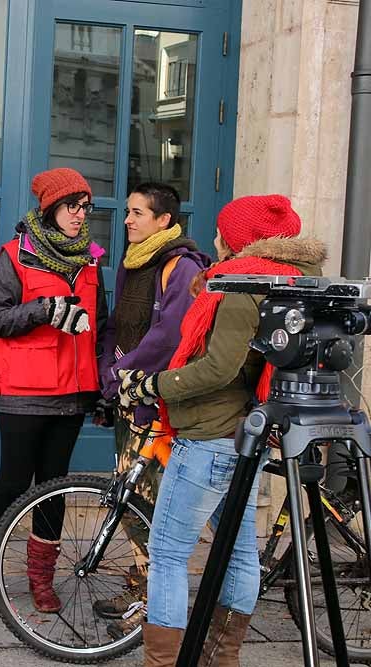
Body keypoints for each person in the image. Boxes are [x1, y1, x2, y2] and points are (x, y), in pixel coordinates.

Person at [116, 195, 326, 666]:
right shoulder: (288, 282)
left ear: (238, 240)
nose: (214, 239)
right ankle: (219, 657)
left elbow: (219, 368)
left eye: (221, 232)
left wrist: (153, 385)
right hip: (245, 434)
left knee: (168, 554)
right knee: (238, 553)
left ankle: (162, 662)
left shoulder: (241, 286)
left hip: (210, 436)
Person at [0, 167, 107, 613]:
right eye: (71, 206)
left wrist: (101, 386)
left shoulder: (91, 258)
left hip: (74, 392)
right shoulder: (16, 254)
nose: (79, 215)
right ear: (51, 207)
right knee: (13, 481)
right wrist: (42, 310)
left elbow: (99, 327)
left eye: (85, 207)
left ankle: (41, 579)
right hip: (24, 389)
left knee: (54, 486)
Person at [91, 182, 210, 637]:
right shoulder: (132, 260)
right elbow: (118, 325)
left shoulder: (181, 267)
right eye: (127, 211)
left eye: (138, 213)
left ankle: (150, 601)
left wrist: (122, 372)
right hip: (127, 396)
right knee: (130, 495)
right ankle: (141, 587)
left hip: (156, 405)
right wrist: (110, 372)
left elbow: (169, 337)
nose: (127, 220)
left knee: (148, 502)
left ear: (164, 220)